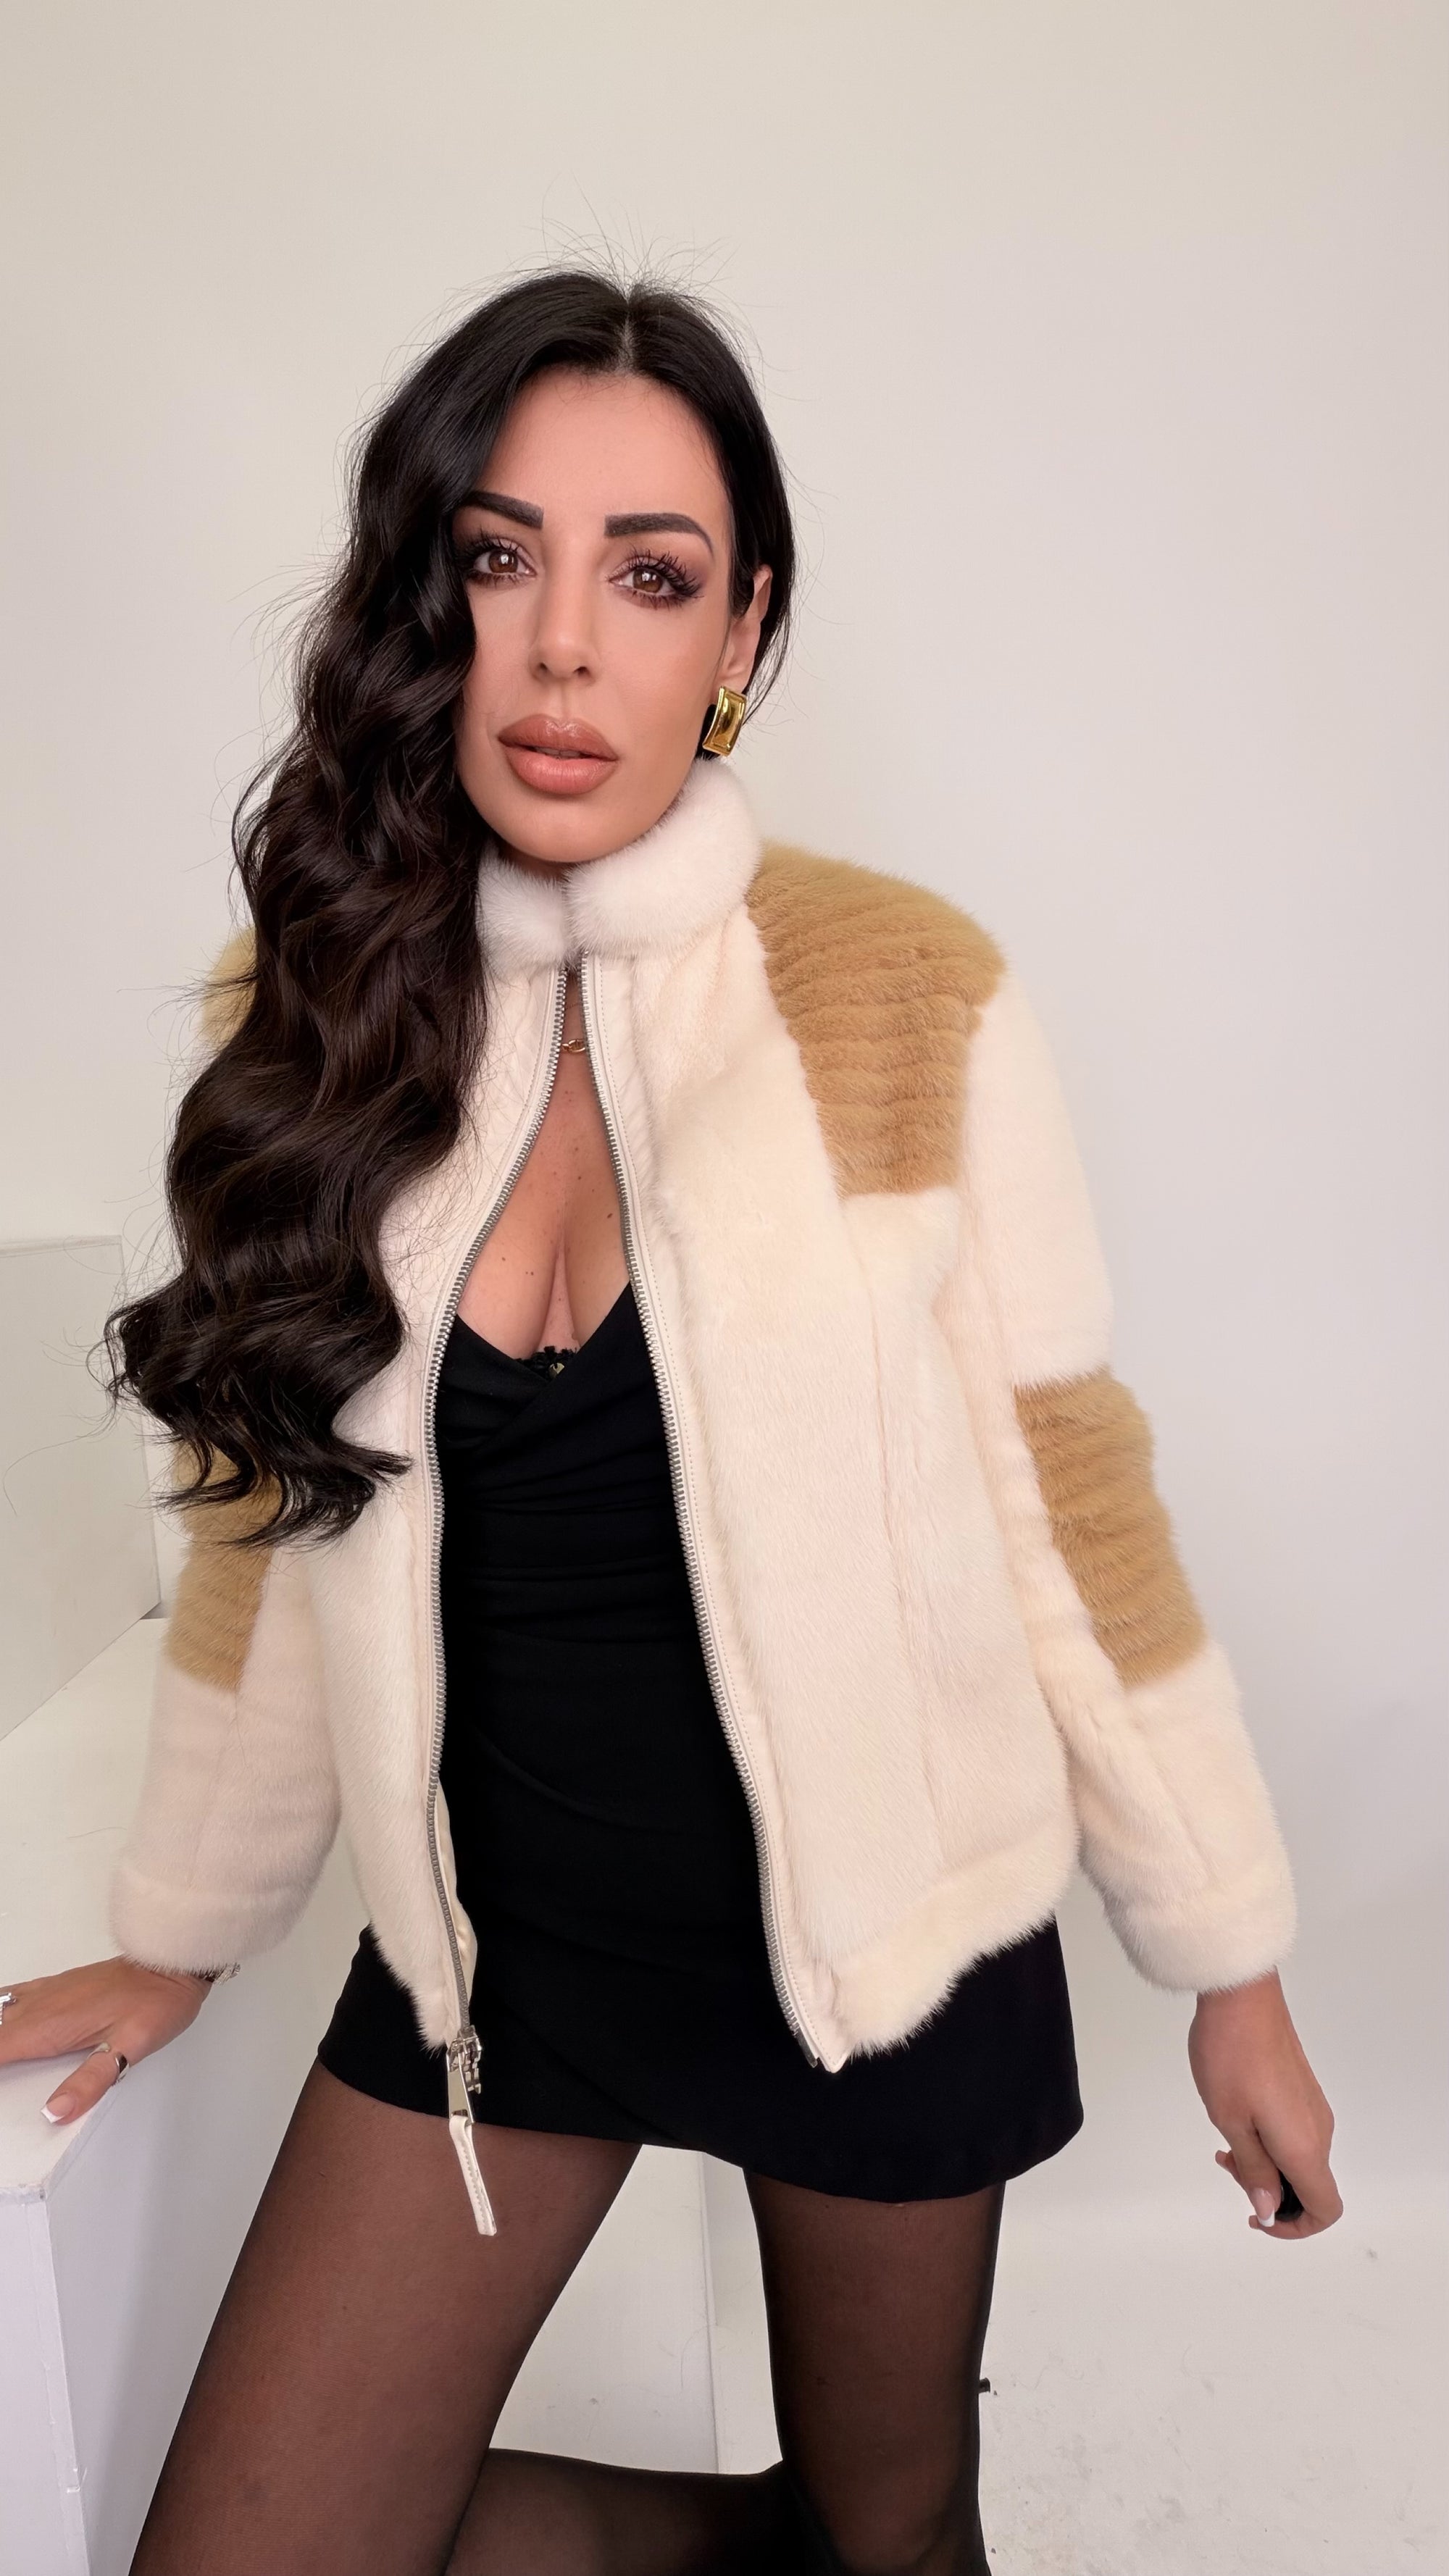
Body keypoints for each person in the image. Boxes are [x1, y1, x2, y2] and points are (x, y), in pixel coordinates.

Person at [0, 268, 1340, 2576]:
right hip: (501, 1951)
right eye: (498, 557)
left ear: (742, 633)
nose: (561, 648)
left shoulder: (902, 984)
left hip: (884, 1935)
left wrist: (1232, 1962)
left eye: (650, 576)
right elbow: (262, 1512)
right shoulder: (315, 1001)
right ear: (424, 597)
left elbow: (1069, 1484)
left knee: (890, 2534)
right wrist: (181, 1931)